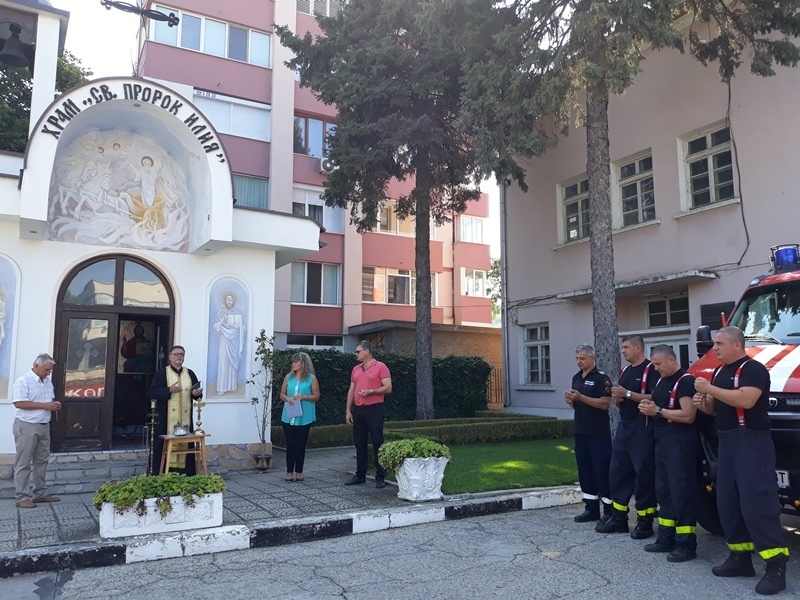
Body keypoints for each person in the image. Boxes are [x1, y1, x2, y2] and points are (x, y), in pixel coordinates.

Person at [694, 326, 789, 595]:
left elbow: (746, 400)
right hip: (727, 441)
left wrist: (709, 388)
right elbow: (715, 407)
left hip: (752, 441)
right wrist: (704, 402)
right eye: (714, 344)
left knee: (757, 503)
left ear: (737, 344)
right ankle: (740, 558)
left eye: (720, 344)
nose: (715, 349)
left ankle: (775, 565)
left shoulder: (753, 369)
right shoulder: (720, 371)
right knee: (729, 502)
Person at [638, 344, 697, 562]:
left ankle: (686, 545)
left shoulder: (686, 381)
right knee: (664, 491)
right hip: (661, 441)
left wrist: (658, 411)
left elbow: (688, 415)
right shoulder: (662, 380)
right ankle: (666, 538)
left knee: (681, 492)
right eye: (653, 364)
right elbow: (657, 402)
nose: (655, 368)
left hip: (679, 442)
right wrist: (649, 404)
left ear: (672, 360)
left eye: (659, 364)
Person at [597, 335, 659, 538]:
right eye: (622, 347)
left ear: (638, 348)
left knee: (643, 473)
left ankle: (645, 521)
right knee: (618, 471)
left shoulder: (650, 369)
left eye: (626, 347)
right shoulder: (625, 371)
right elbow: (620, 399)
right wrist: (618, 398)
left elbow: (656, 397)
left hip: (643, 426)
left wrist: (629, 394)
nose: (622, 351)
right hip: (625, 426)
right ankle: (619, 517)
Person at [564, 344, 613, 523]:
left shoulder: (601, 378)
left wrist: (581, 398)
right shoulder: (576, 377)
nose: (579, 362)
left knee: (601, 471)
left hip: (598, 434)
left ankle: (609, 510)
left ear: (592, 358)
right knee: (585, 471)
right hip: (581, 431)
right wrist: (571, 400)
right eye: (577, 358)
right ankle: (591, 508)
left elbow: (605, 403)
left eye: (582, 358)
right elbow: (577, 403)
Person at [12, 354, 61, 508]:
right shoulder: (23, 381)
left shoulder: (47, 382)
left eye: (50, 371)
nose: (48, 373)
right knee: (24, 462)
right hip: (27, 425)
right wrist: (45, 406)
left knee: (41, 461)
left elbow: (48, 400)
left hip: (43, 424)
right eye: (46, 370)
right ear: (36, 366)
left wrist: (53, 404)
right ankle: (22, 496)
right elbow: (19, 403)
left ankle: (39, 493)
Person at [148, 345, 203, 475]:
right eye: (177, 354)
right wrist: (169, 390)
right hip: (165, 419)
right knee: (163, 448)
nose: (179, 356)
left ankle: (185, 474)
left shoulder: (190, 373)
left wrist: (196, 394)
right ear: (170, 357)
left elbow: (197, 393)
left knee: (186, 447)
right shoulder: (162, 373)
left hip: (185, 420)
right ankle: (163, 474)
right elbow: (152, 392)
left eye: (182, 354)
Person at [345, 340, 392, 488]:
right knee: (360, 443)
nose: (356, 354)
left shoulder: (381, 367)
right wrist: (348, 410)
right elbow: (351, 390)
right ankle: (360, 475)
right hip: (359, 409)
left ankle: (380, 476)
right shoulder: (356, 369)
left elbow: (388, 387)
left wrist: (371, 391)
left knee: (377, 442)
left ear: (367, 351)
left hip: (374, 409)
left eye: (358, 351)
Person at [279, 352, 320, 482]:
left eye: (296, 362)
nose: (293, 364)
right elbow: (282, 394)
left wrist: (304, 396)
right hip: (289, 415)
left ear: (303, 363)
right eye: (293, 362)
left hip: (304, 417)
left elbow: (316, 396)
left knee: (300, 444)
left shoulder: (311, 378)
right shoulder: (288, 377)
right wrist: (288, 398)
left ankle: (299, 471)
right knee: (290, 444)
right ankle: (289, 472)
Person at [212, 292, 245, 395]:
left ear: (233, 301)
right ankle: (222, 387)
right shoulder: (221, 312)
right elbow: (215, 326)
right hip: (224, 339)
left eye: (231, 300)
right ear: (224, 301)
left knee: (231, 364)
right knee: (223, 362)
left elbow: (243, 326)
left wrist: (239, 327)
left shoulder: (237, 312)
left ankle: (231, 385)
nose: (229, 302)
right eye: (227, 300)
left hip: (234, 341)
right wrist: (221, 321)